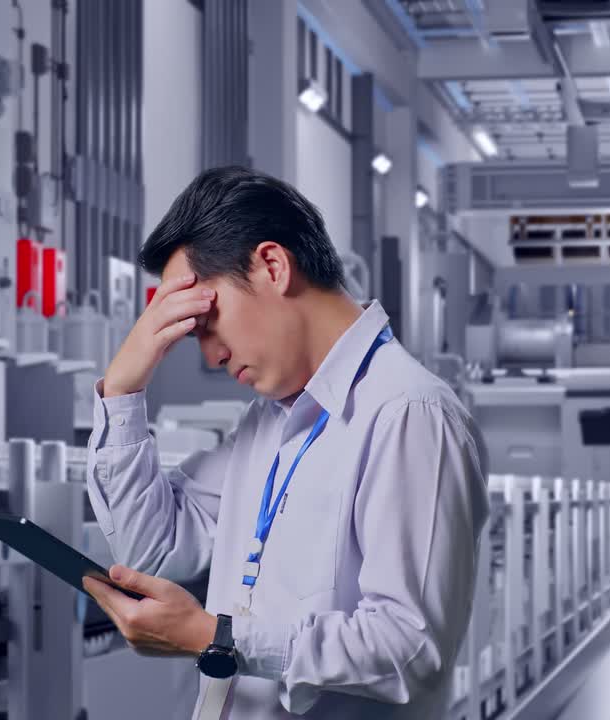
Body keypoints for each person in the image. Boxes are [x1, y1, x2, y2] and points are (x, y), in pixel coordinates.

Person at [81, 165, 490, 719]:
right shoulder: (268, 424)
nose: (211, 356)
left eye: (207, 321)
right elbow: (155, 551)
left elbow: (407, 648)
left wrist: (217, 638)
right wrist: (124, 390)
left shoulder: (409, 413)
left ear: (272, 265)